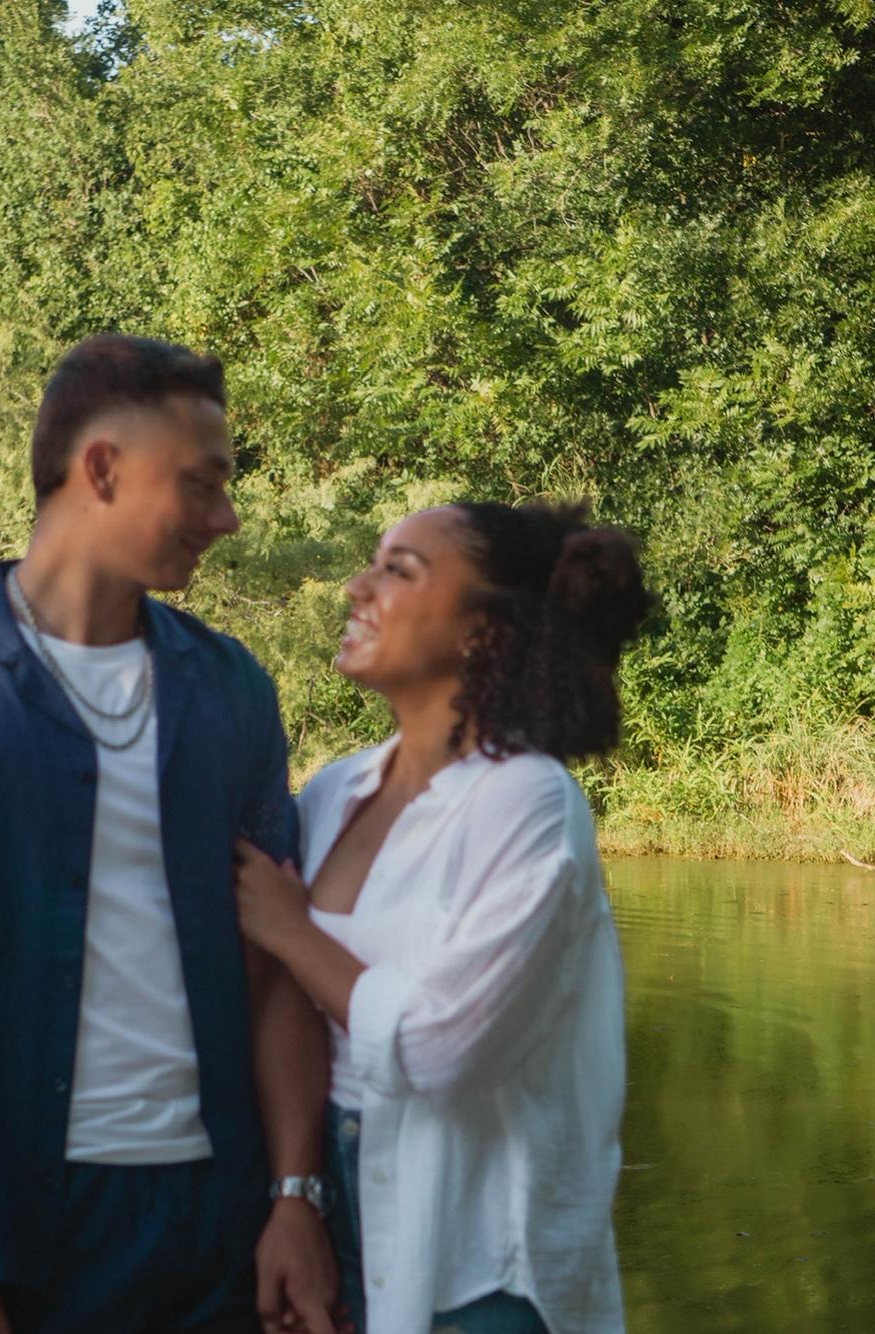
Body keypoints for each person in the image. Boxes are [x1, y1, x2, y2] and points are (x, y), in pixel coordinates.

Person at [0, 334, 337, 1334]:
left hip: (218, 1230)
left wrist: (294, 1196)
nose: (225, 517)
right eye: (201, 483)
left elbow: (273, 975)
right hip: (18, 1232)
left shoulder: (231, 692)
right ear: (100, 468)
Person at [233, 501, 650, 1334]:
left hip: (483, 1264)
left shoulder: (526, 800)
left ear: (483, 633)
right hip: (337, 1224)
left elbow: (441, 1047)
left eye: (398, 570)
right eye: (372, 561)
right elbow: (284, 1011)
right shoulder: (331, 794)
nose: (357, 586)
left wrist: (289, 930)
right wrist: (294, 1197)